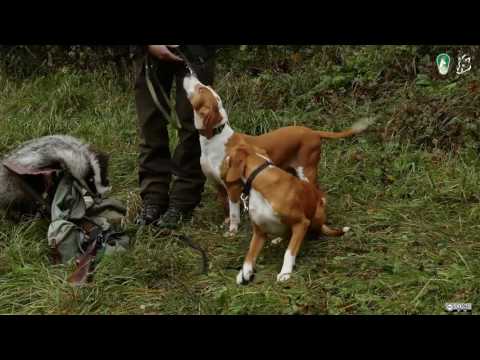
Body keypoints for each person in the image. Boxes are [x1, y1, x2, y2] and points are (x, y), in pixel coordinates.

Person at [132, 45, 219, 228]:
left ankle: (183, 201)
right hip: (148, 52)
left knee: (193, 125)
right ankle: (153, 198)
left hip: (196, 50)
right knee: (150, 125)